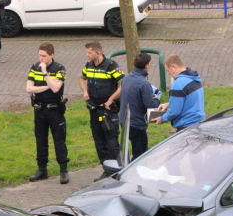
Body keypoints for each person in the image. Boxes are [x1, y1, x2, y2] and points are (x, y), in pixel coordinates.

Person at [78, 41, 124, 180]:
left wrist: (111, 99)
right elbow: (81, 78)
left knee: (111, 141)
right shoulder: (89, 65)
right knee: (99, 141)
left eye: (89, 52)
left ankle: (116, 170)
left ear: (98, 53)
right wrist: (85, 91)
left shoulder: (111, 66)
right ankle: (106, 169)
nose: (87, 55)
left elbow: (123, 84)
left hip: (108, 110)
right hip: (95, 110)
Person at [26, 42, 69, 184]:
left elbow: (56, 89)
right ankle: (42, 169)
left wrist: (45, 73)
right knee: (40, 140)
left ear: (52, 55)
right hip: (39, 109)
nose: (41, 58)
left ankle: (63, 170)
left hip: (54, 109)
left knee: (59, 140)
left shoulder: (59, 68)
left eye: (44, 56)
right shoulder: (34, 66)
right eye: (39, 55)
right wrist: (48, 85)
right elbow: (29, 89)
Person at [119, 53, 161, 160]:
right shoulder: (144, 83)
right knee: (140, 155)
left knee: (134, 151)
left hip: (124, 121)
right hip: (136, 124)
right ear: (146, 66)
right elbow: (150, 105)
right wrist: (156, 98)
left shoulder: (126, 78)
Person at [151, 55, 205, 130]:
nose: (168, 73)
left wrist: (162, 119)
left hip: (186, 126)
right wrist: (169, 104)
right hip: (199, 123)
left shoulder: (178, 84)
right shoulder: (195, 78)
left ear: (174, 67)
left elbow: (174, 111)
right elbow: (190, 100)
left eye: (168, 70)